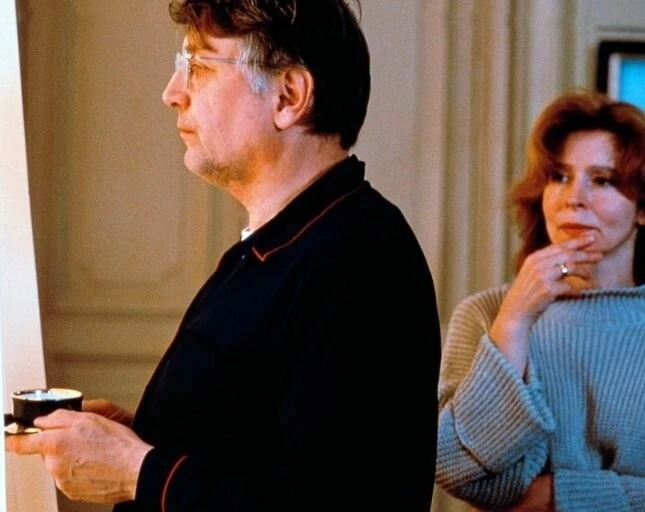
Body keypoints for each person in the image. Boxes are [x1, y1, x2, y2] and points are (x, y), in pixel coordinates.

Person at [6, 1, 442, 511]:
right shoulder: (289, 244)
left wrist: (135, 470)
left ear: (288, 96)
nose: (172, 92)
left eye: (198, 65)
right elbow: (265, 448)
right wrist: (144, 438)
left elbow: (335, 501)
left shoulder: (359, 260)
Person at [435, 89, 645, 512]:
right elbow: (455, 469)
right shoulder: (484, 314)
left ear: (642, 207)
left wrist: (554, 496)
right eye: (559, 177)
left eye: (602, 180)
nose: (574, 197)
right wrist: (514, 320)